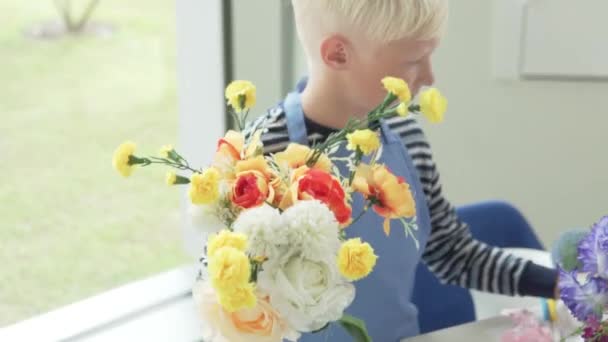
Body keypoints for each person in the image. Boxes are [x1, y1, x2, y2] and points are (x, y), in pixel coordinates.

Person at [243, 1, 558, 340]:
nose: (429, 77)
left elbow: (454, 254)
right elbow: (231, 291)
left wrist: (561, 285)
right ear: (337, 55)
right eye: (412, 61)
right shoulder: (262, 154)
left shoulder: (408, 141)